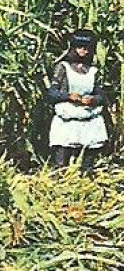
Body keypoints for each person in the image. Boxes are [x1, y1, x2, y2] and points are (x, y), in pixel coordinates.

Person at [47, 29, 109, 171]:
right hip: (67, 117)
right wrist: (68, 96)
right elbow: (51, 93)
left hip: (89, 117)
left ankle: (86, 184)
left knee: (87, 163)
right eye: (80, 47)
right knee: (61, 161)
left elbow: (102, 96)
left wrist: (93, 99)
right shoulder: (63, 68)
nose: (84, 51)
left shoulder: (93, 71)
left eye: (87, 48)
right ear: (73, 47)